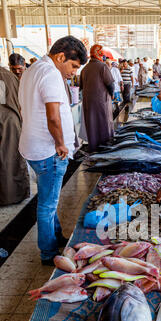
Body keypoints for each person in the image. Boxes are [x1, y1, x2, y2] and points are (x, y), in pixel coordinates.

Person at [18, 35, 87, 265]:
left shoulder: (32, 70)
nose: (74, 72)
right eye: (73, 66)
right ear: (60, 57)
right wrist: (60, 143)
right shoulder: (50, 74)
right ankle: (48, 253)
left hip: (32, 147)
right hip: (48, 152)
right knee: (46, 206)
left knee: (49, 199)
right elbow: (53, 116)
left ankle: (57, 237)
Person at [0, 66, 30, 205]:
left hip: (5, 122)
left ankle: (7, 196)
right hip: (11, 121)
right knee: (11, 158)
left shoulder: (3, 76)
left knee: (6, 160)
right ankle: (15, 194)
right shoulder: (9, 75)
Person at [80, 44, 114, 152]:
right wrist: (112, 94)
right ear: (99, 54)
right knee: (103, 124)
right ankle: (104, 150)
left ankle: (93, 149)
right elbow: (110, 84)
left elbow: (80, 86)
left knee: (92, 125)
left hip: (88, 103)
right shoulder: (103, 67)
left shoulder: (84, 69)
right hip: (101, 103)